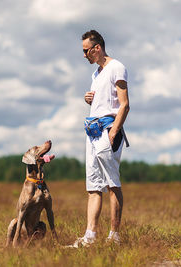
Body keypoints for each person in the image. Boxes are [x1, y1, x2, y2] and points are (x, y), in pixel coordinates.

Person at [71, 30, 130, 247]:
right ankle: (90, 237)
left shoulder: (117, 67)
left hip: (107, 131)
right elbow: (104, 101)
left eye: (86, 51)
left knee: (112, 184)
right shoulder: (95, 74)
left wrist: (114, 132)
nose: (84, 55)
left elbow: (124, 104)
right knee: (93, 186)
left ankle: (114, 237)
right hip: (92, 132)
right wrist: (90, 100)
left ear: (97, 48)